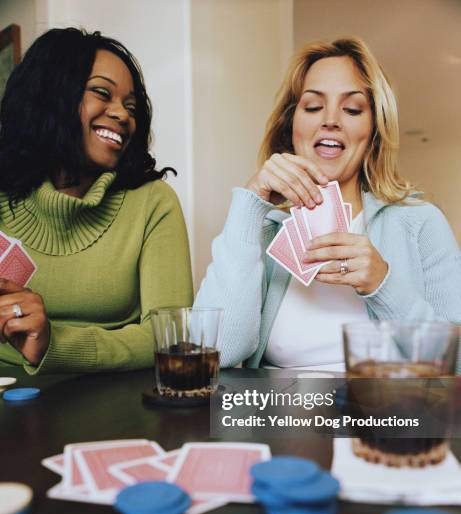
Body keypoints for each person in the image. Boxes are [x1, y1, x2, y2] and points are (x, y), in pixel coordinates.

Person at [195, 37, 461, 371]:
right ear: (291, 126)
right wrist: (251, 203)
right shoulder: (263, 231)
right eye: (312, 107)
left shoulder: (420, 222)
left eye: (352, 109)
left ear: (373, 132)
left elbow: (455, 366)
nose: (331, 119)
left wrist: (383, 283)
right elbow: (213, 353)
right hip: (278, 414)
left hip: (386, 415)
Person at [0, 28, 192, 372]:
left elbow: (170, 337)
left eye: (131, 106)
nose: (122, 115)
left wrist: (53, 343)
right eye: (102, 93)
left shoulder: (153, 203)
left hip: (112, 396)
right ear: (50, 96)